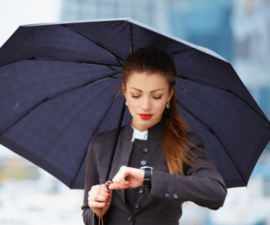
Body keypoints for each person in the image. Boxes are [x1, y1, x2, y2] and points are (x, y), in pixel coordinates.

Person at [81, 45, 227, 225]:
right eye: (136, 95)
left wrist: (147, 177)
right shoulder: (101, 144)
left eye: (156, 96)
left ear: (169, 94)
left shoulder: (185, 143)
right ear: (124, 91)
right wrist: (97, 211)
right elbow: (87, 216)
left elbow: (216, 193)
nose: (145, 106)